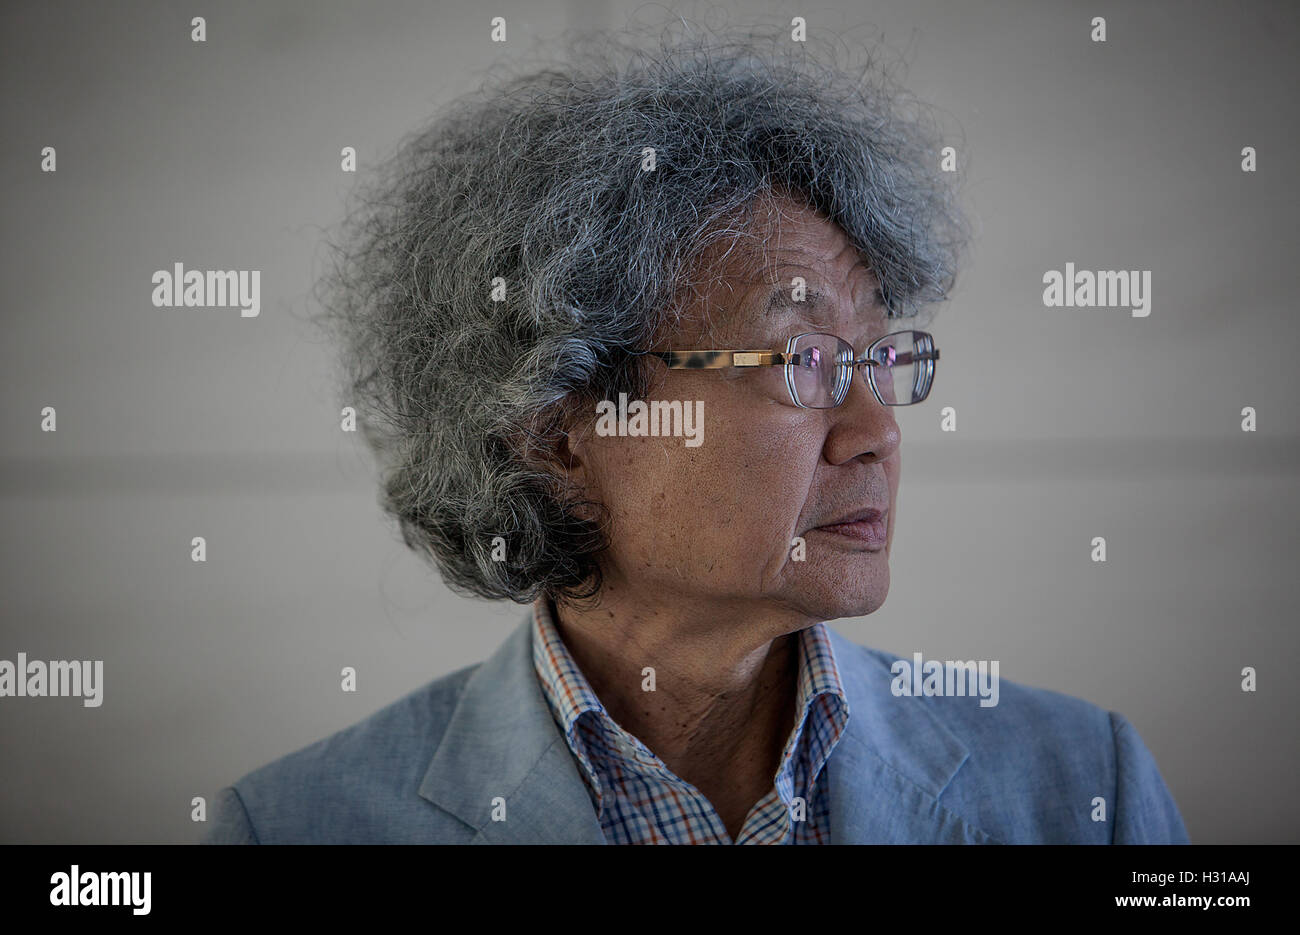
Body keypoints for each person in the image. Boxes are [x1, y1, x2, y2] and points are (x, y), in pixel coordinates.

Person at [205, 25, 1188, 845]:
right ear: (557, 429)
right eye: (802, 360)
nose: (876, 431)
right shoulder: (299, 825)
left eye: (880, 358)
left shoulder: (1078, 785)